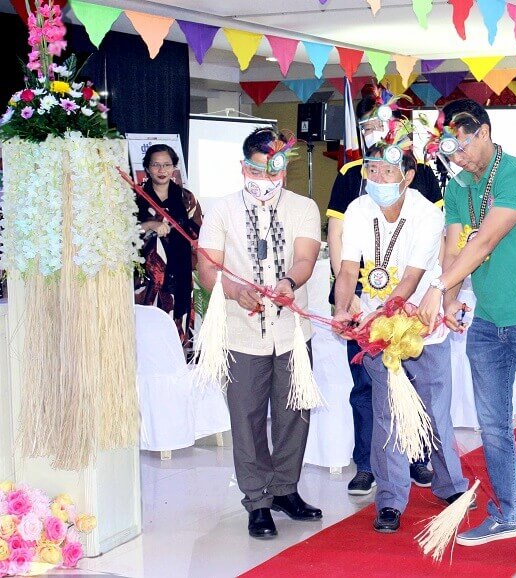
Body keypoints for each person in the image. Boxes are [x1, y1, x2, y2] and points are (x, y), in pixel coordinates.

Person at [416, 99, 516, 561]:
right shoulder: (460, 183)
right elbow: (455, 240)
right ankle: (504, 513)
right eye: (449, 150)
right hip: (487, 324)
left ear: (482, 132)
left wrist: (438, 286)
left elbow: (485, 239)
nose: (455, 158)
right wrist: (450, 295)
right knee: (493, 427)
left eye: (461, 146)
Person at [332, 136, 468, 534]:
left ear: (407, 176)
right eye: (372, 170)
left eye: (388, 171)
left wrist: (379, 313)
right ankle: (391, 499)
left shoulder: (427, 214)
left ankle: (450, 485)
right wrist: (343, 308)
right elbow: (346, 269)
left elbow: (410, 278)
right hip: (377, 325)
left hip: (421, 324)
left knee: (433, 410)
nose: (378, 177)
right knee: (386, 413)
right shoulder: (358, 209)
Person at [197, 127, 323, 540]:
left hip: (291, 333)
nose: (267, 181)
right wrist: (234, 290)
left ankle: (285, 489)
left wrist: (289, 281)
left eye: (274, 172)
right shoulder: (220, 210)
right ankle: (257, 500)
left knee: (294, 414)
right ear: (243, 167)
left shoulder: (303, 207)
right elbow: (207, 268)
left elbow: (306, 257)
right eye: (258, 171)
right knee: (247, 417)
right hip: (240, 333)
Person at [326, 90, 442, 496]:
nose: (376, 177)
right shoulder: (353, 185)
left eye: (383, 122)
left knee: (418, 391)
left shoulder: (425, 185)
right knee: (371, 394)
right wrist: (345, 303)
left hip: (413, 309)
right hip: (365, 306)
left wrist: (431, 295)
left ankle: (424, 462)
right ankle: (375, 473)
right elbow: (343, 254)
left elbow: (426, 259)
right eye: (368, 124)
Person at [135, 144, 202, 354]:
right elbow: (121, 235)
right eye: (156, 165)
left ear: (174, 168)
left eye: (166, 165)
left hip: (179, 276)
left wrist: (180, 230)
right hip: (145, 277)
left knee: (175, 332)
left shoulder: (186, 198)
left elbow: (200, 235)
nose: (161, 170)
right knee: (146, 335)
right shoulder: (133, 197)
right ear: (146, 168)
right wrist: (149, 226)